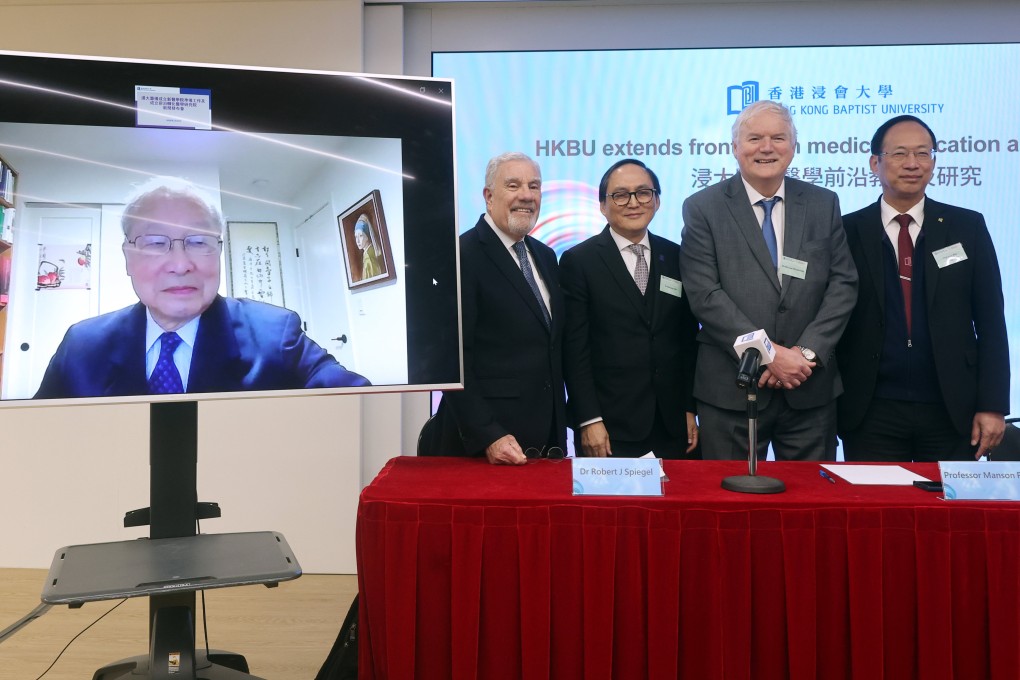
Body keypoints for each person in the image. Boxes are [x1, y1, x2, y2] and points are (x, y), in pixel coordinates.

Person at [34, 178, 369, 398]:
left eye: (198, 242)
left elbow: (358, 405)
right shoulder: (82, 346)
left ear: (219, 250)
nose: (181, 264)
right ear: (128, 257)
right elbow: (35, 439)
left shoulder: (275, 334)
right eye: (155, 243)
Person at [679, 100, 857, 461]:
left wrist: (805, 354)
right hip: (732, 388)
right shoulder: (703, 207)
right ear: (735, 146)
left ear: (794, 146)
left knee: (811, 495)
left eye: (778, 138)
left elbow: (843, 284)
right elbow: (705, 295)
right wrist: (769, 355)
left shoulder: (823, 203)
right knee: (730, 494)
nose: (766, 148)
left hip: (809, 385)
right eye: (754, 138)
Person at [836, 115, 1009, 461]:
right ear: (875, 163)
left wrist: (993, 404)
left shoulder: (967, 226)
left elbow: (991, 321)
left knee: (949, 499)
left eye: (922, 153)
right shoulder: (847, 230)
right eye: (900, 153)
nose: (912, 163)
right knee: (877, 499)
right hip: (870, 410)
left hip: (951, 407)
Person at [426, 152, 566, 465]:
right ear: (489, 196)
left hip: (547, 441)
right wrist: (487, 433)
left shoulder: (545, 256)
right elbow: (450, 358)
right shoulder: (461, 255)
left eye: (534, 186)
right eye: (513, 185)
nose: (526, 195)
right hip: (488, 445)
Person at [561, 159, 698, 458]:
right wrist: (589, 419)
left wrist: (690, 407)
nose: (634, 203)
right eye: (621, 195)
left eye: (643, 193)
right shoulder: (579, 262)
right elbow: (575, 349)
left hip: (673, 423)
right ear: (602, 205)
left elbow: (687, 339)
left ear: (657, 201)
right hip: (609, 427)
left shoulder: (676, 256)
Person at [354, 215, 383, 280]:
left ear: (367, 236)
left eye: (360, 236)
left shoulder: (369, 258)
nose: (357, 241)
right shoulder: (368, 254)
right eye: (356, 237)